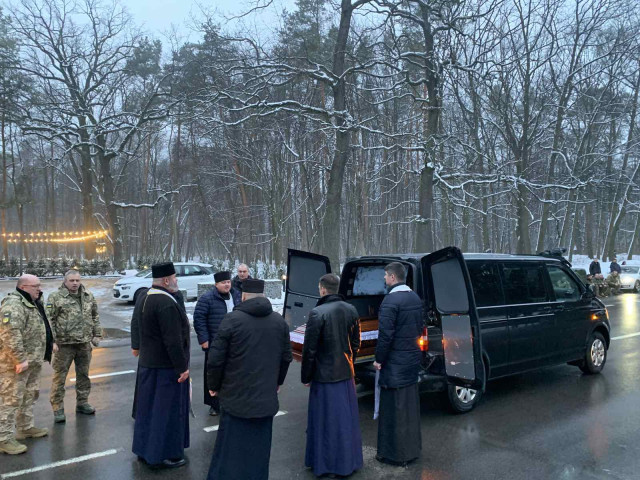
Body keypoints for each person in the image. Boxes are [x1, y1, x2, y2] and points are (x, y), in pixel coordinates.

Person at [206, 278, 292, 480]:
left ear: (243, 297)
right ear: (263, 295)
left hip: (235, 400)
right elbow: (286, 357)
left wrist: (213, 386)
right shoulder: (279, 321)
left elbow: (215, 360)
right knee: (259, 451)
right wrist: (277, 382)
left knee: (231, 450)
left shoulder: (231, 320)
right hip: (265, 400)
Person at [302, 273, 363, 478]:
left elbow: (310, 350)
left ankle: (326, 464)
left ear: (322, 289)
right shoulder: (351, 309)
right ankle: (348, 461)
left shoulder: (317, 313)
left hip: (324, 377)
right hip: (345, 375)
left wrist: (306, 376)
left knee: (326, 422)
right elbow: (356, 343)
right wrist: (349, 363)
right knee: (345, 421)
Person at [132, 262, 190, 470]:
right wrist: (182, 368)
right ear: (166, 280)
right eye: (174, 277)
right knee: (164, 414)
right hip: (166, 369)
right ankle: (162, 455)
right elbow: (172, 341)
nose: (176, 280)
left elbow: (135, 324)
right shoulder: (166, 303)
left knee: (147, 412)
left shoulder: (145, 296)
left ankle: (144, 450)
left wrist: (136, 346)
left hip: (148, 364)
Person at [373, 262, 422, 467]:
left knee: (393, 410)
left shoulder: (390, 301)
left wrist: (378, 359)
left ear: (393, 277)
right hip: (411, 362)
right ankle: (412, 450)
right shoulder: (415, 298)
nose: (384, 279)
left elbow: (385, 335)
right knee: (409, 408)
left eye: (385, 275)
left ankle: (394, 454)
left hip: (394, 365)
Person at [0, 274, 53, 455]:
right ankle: (3, 439)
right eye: (35, 286)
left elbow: (43, 324)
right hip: (15, 364)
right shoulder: (14, 305)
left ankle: (25, 427)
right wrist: (20, 359)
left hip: (33, 361)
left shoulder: (33, 301)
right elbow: (9, 334)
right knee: (10, 400)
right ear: (23, 287)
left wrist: (51, 343)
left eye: (39, 285)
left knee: (29, 395)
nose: (39, 289)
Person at [47, 270, 102, 423]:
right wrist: (52, 341)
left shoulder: (88, 296)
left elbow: (95, 315)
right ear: (65, 281)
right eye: (71, 280)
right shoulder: (56, 297)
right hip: (64, 345)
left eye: (77, 280)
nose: (75, 283)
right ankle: (58, 408)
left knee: (83, 375)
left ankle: (82, 403)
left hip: (83, 344)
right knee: (59, 378)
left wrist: (97, 334)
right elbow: (49, 320)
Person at [193, 271, 241, 416]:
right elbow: (199, 319)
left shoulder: (236, 295)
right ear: (216, 284)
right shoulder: (207, 298)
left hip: (234, 342)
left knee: (232, 373)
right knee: (213, 374)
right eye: (223, 282)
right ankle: (214, 404)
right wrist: (204, 340)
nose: (227, 285)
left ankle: (231, 401)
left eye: (228, 282)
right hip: (215, 343)